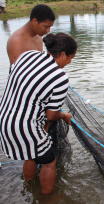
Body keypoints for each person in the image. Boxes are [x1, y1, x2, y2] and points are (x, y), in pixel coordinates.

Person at [0, 32, 77, 194]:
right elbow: (51, 115)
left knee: (31, 154)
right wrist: (64, 115)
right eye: (70, 58)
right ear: (62, 54)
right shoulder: (60, 76)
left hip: (4, 118)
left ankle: (28, 187)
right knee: (49, 161)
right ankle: (47, 198)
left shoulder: (28, 55)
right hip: (25, 126)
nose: (69, 62)